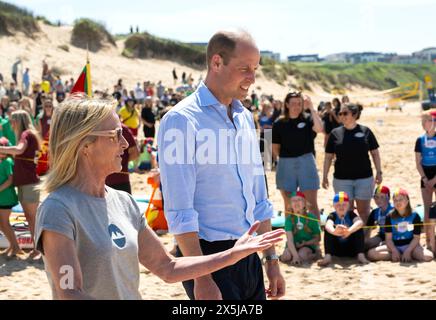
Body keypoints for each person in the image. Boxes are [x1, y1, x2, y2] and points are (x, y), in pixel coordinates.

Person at [33, 95, 284, 299]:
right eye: (115, 135)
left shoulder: (124, 202)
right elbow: (69, 292)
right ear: (83, 145)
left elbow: (168, 267)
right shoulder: (58, 209)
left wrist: (231, 255)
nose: (124, 144)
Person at [158, 30, 285, 300]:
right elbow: (179, 209)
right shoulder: (180, 120)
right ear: (217, 63)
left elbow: (259, 194)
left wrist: (271, 260)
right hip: (207, 258)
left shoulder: (245, 118)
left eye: (255, 69)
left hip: (250, 251)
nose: (252, 78)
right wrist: (201, 277)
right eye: (244, 69)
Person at [323, 103, 382, 224]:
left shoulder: (366, 131)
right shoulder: (335, 133)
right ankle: (350, 239)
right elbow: (328, 157)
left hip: (364, 178)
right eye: (340, 113)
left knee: (364, 211)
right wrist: (324, 176)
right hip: (342, 179)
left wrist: (379, 172)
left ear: (354, 115)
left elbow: (375, 153)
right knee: (346, 211)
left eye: (345, 113)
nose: (342, 116)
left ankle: (363, 240)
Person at [273, 92, 324, 218]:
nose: (296, 106)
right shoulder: (279, 123)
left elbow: (319, 129)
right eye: (293, 103)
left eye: (299, 103)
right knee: (289, 203)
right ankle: (292, 236)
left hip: (306, 161)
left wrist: (311, 108)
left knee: (311, 203)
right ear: (287, 105)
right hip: (286, 163)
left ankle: (315, 236)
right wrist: (286, 159)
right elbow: (274, 147)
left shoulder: (308, 118)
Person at [0, 110, 42, 259]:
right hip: (26, 182)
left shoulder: (26, 134)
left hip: (29, 183)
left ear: (19, 121)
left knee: (33, 218)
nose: (11, 124)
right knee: (31, 218)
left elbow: (19, 150)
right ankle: (37, 249)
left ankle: (40, 250)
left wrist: (1, 149)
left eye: (13, 121)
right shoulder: (28, 134)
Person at [367, 188, 433, 262]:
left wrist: (408, 251)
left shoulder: (414, 215)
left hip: (410, 245)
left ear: (407, 201)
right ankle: (400, 256)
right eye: (395, 200)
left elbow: (416, 238)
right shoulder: (389, 216)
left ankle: (406, 255)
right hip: (394, 245)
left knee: (428, 256)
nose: (398, 202)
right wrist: (394, 250)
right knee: (371, 254)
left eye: (401, 199)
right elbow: (388, 239)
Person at [318, 192, 369, 266]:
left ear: (348, 205)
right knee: (328, 230)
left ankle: (361, 256)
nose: (341, 207)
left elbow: (360, 222)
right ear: (334, 206)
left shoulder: (351, 214)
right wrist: (334, 231)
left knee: (358, 228)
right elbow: (328, 225)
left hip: (351, 249)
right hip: (336, 250)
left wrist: (349, 231)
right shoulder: (332, 215)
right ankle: (327, 257)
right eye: (338, 204)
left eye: (344, 204)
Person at [279, 191, 321, 265]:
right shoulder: (288, 219)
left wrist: (305, 243)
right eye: (293, 201)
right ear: (290, 205)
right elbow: (290, 240)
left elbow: (317, 238)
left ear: (304, 203)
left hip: (308, 245)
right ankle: (294, 256)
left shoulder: (312, 218)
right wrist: (295, 256)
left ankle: (315, 255)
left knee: (302, 255)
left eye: (299, 200)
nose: (296, 202)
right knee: (286, 257)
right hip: (293, 245)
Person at [415, 110, 436, 254]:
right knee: (427, 210)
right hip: (425, 176)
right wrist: (425, 179)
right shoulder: (420, 140)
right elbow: (417, 162)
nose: (424, 123)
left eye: (428, 120)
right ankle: (429, 241)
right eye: (423, 121)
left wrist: (434, 179)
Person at [0, 137, 21, 257]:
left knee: (5, 223)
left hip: (6, 197)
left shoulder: (8, 161)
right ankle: (12, 245)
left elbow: (10, 180)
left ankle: (16, 246)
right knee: (1, 224)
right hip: (1, 197)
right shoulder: (2, 161)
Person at [106, 124, 139, 194]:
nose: (125, 144)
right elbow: (135, 153)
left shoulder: (122, 128)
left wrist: (120, 162)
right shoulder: (100, 128)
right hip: (102, 183)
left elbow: (135, 152)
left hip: (120, 181)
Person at [365, 185, 393, 250]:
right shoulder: (375, 212)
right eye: (376, 197)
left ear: (388, 198)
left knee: (378, 248)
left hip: (395, 236)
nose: (378, 200)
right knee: (365, 244)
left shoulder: (394, 210)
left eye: (382, 197)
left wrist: (387, 241)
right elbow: (367, 228)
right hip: (382, 235)